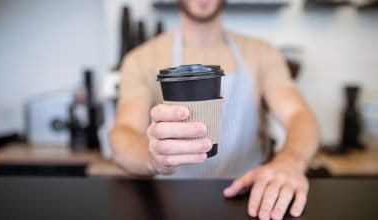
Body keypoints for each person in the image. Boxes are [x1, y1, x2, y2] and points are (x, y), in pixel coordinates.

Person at [109, 0, 319, 219]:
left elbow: (299, 115)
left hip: (250, 201)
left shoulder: (262, 53)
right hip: (172, 204)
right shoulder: (140, 60)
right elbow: (123, 133)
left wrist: (289, 161)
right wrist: (152, 158)